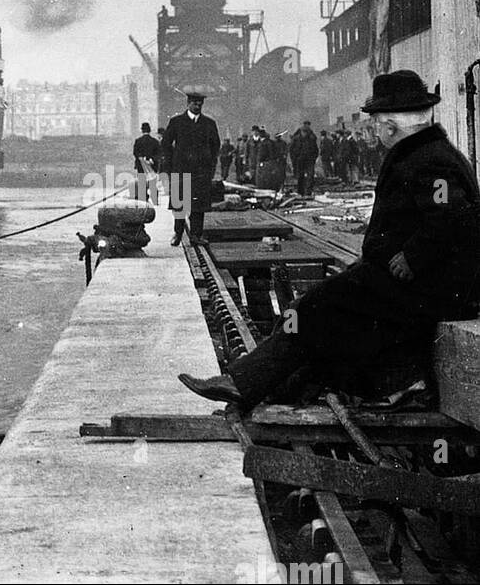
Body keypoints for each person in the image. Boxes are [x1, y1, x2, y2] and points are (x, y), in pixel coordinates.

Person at [179, 70, 480, 410]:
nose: (376, 130)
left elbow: (452, 214)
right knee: (324, 315)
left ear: (392, 126)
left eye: (378, 123)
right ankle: (274, 388)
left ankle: (243, 383)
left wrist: (412, 256)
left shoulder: (430, 161)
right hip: (415, 283)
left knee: (310, 311)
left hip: (425, 288)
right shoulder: (425, 154)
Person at [159, 91, 221, 245]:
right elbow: (166, 144)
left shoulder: (209, 124)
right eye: (194, 103)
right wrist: (172, 163)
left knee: (198, 207)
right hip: (181, 170)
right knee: (180, 204)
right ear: (188, 104)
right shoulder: (177, 122)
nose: (197, 106)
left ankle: (196, 236)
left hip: (201, 172)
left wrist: (210, 165)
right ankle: (177, 234)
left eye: (200, 104)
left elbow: (215, 146)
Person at [132, 122, 161, 206]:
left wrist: (142, 159)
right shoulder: (155, 141)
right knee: (152, 184)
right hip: (152, 166)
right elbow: (159, 154)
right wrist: (151, 159)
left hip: (141, 166)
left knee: (142, 183)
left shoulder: (138, 141)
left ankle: (143, 199)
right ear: (150, 130)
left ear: (142, 130)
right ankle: (155, 200)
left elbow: (135, 153)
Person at [290, 120, 319, 197]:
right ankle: (300, 192)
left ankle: (308, 192)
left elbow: (316, 150)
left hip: (309, 160)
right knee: (300, 176)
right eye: (303, 132)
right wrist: (294, 160)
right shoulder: (296, 138)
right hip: (299, 160)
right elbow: (291, 150)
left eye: (306, 132)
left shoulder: (312, 138)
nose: (304, 133)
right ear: (301, 131)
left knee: (310, 176)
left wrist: (313, 159)